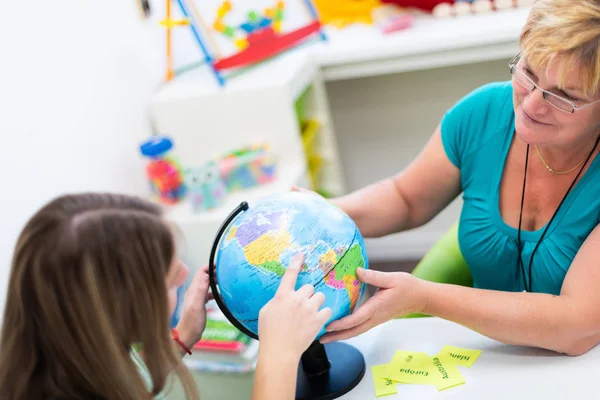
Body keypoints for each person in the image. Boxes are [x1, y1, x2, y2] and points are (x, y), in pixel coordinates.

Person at [317, 0, 600, 356]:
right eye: (527, 72)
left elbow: (575, 327)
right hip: (489, 355)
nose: (529, 107)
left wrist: (425, 297)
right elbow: (406, 199)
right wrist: (319, 212)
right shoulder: (481, 114)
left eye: (564, 97)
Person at [0, 193, 332, 400]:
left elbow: (129, 386)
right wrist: (279, 357)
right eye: (171, 278)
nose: (186, 276)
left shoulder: (65, 357)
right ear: (124, 305)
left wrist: (184, 335)